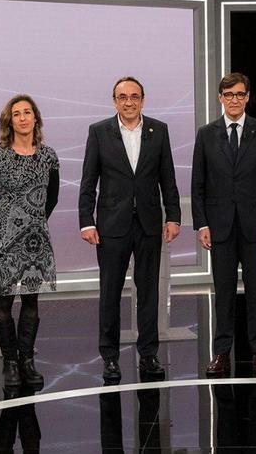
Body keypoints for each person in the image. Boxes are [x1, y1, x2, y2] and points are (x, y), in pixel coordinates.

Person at [78, 77, 182, 381]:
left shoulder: (158, 131)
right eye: (122, 97)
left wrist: (173, 216)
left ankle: (148, 354)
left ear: (143, 100)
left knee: (149, 290)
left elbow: (168, 179)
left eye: (134, 96)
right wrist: (86, 220)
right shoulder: (99, 132)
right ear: (114, 101)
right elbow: (88, 181)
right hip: (111, 225)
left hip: (149, 224)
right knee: (109, 292)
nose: (129, 102)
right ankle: (109, 356)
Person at [192, 72, 256, 376]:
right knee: (224, 291)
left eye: (239, 94)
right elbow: (198, 183)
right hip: (220, 226)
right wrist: (201, 223)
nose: (234, 100)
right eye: (228, 94)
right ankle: (221, 352)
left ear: (247, 97)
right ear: (220, 98)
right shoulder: (206, 134)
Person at [0, 94, 61, 390]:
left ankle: (27, 360)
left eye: (27, 112)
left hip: (36, 241)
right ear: (9, 121)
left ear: (35, 118)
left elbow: (53, 197)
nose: (23, 117)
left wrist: (35, 223)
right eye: (17, 114)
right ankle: (9, 362)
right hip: (6, 241)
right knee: (4, 300)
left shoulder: (49, 155)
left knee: (31, 300)